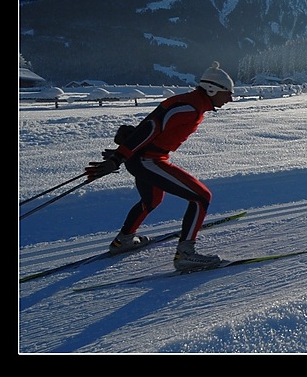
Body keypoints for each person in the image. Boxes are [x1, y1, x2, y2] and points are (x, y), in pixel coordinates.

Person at [85, 61, 235, 271]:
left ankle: (123, 241)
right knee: (201, 197)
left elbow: (152, 126)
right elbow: (152, 126)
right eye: (228, 93)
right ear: (212, 89)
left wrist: (124, 151)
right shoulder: (189, 107)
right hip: (149, 160)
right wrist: (119, 157)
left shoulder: (193, 104)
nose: (230, 98)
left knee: (152, 199)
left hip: (143, 158)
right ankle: (186, 255)